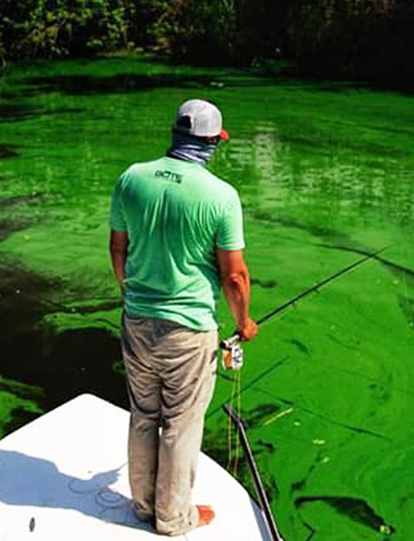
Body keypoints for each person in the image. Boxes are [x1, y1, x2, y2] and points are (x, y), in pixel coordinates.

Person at [108, 98, 259, 536]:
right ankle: (173, 519)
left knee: (143, 415)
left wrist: (133, 295)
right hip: (188, 332)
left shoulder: (131, 178)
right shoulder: (221, 196)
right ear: (213, 142)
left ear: (176, 132)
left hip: (136, 319)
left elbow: (118, 249)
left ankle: (143, 507)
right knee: (180, 425)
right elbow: (235, 277)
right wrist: (243, 323)